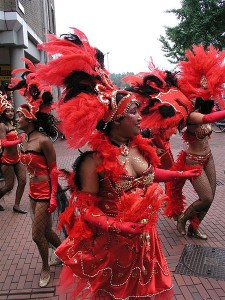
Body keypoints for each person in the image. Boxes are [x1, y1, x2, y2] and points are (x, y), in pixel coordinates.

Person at [37, 28, 201, 299]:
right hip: (114, 248)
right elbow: (86, 209)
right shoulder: (94, 161)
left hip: (148, 242)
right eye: (133, 112)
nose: (140, 118)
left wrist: (180, 173)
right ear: (115, 120)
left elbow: (149, 176)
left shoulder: (137, 147)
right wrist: (119, 226)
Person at [164, 44, 225, 240]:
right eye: (202, 85)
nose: (206, 88)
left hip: (208, 156)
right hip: (193, 159)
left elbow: (211, 115)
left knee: (211, 198)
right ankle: (183, 219)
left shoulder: (207, 109)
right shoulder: (192, 114)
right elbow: (208, 120)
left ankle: (194, 227)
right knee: (205, 197)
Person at [11, 58, 62, 287]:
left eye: (20, 116)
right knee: (48, 231)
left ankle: (45, 268)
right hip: (32, 190)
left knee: (36, 235)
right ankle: (63, 251)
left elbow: (53, 169)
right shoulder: (25, 139)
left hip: (44, 192)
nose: (17, 118)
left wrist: (52, 197)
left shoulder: (43, 141)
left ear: (31, 117)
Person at [0, 92, 26, 212]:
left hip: (17, 158)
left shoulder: (12, 123)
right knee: (9, 186)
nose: (10, 113)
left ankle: (16, 205)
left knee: (23, 181)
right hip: (7, 160)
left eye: (11, 110)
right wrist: (19, 140)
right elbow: (4, 143)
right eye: (7, 111)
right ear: (3, 113)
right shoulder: (2, 125)